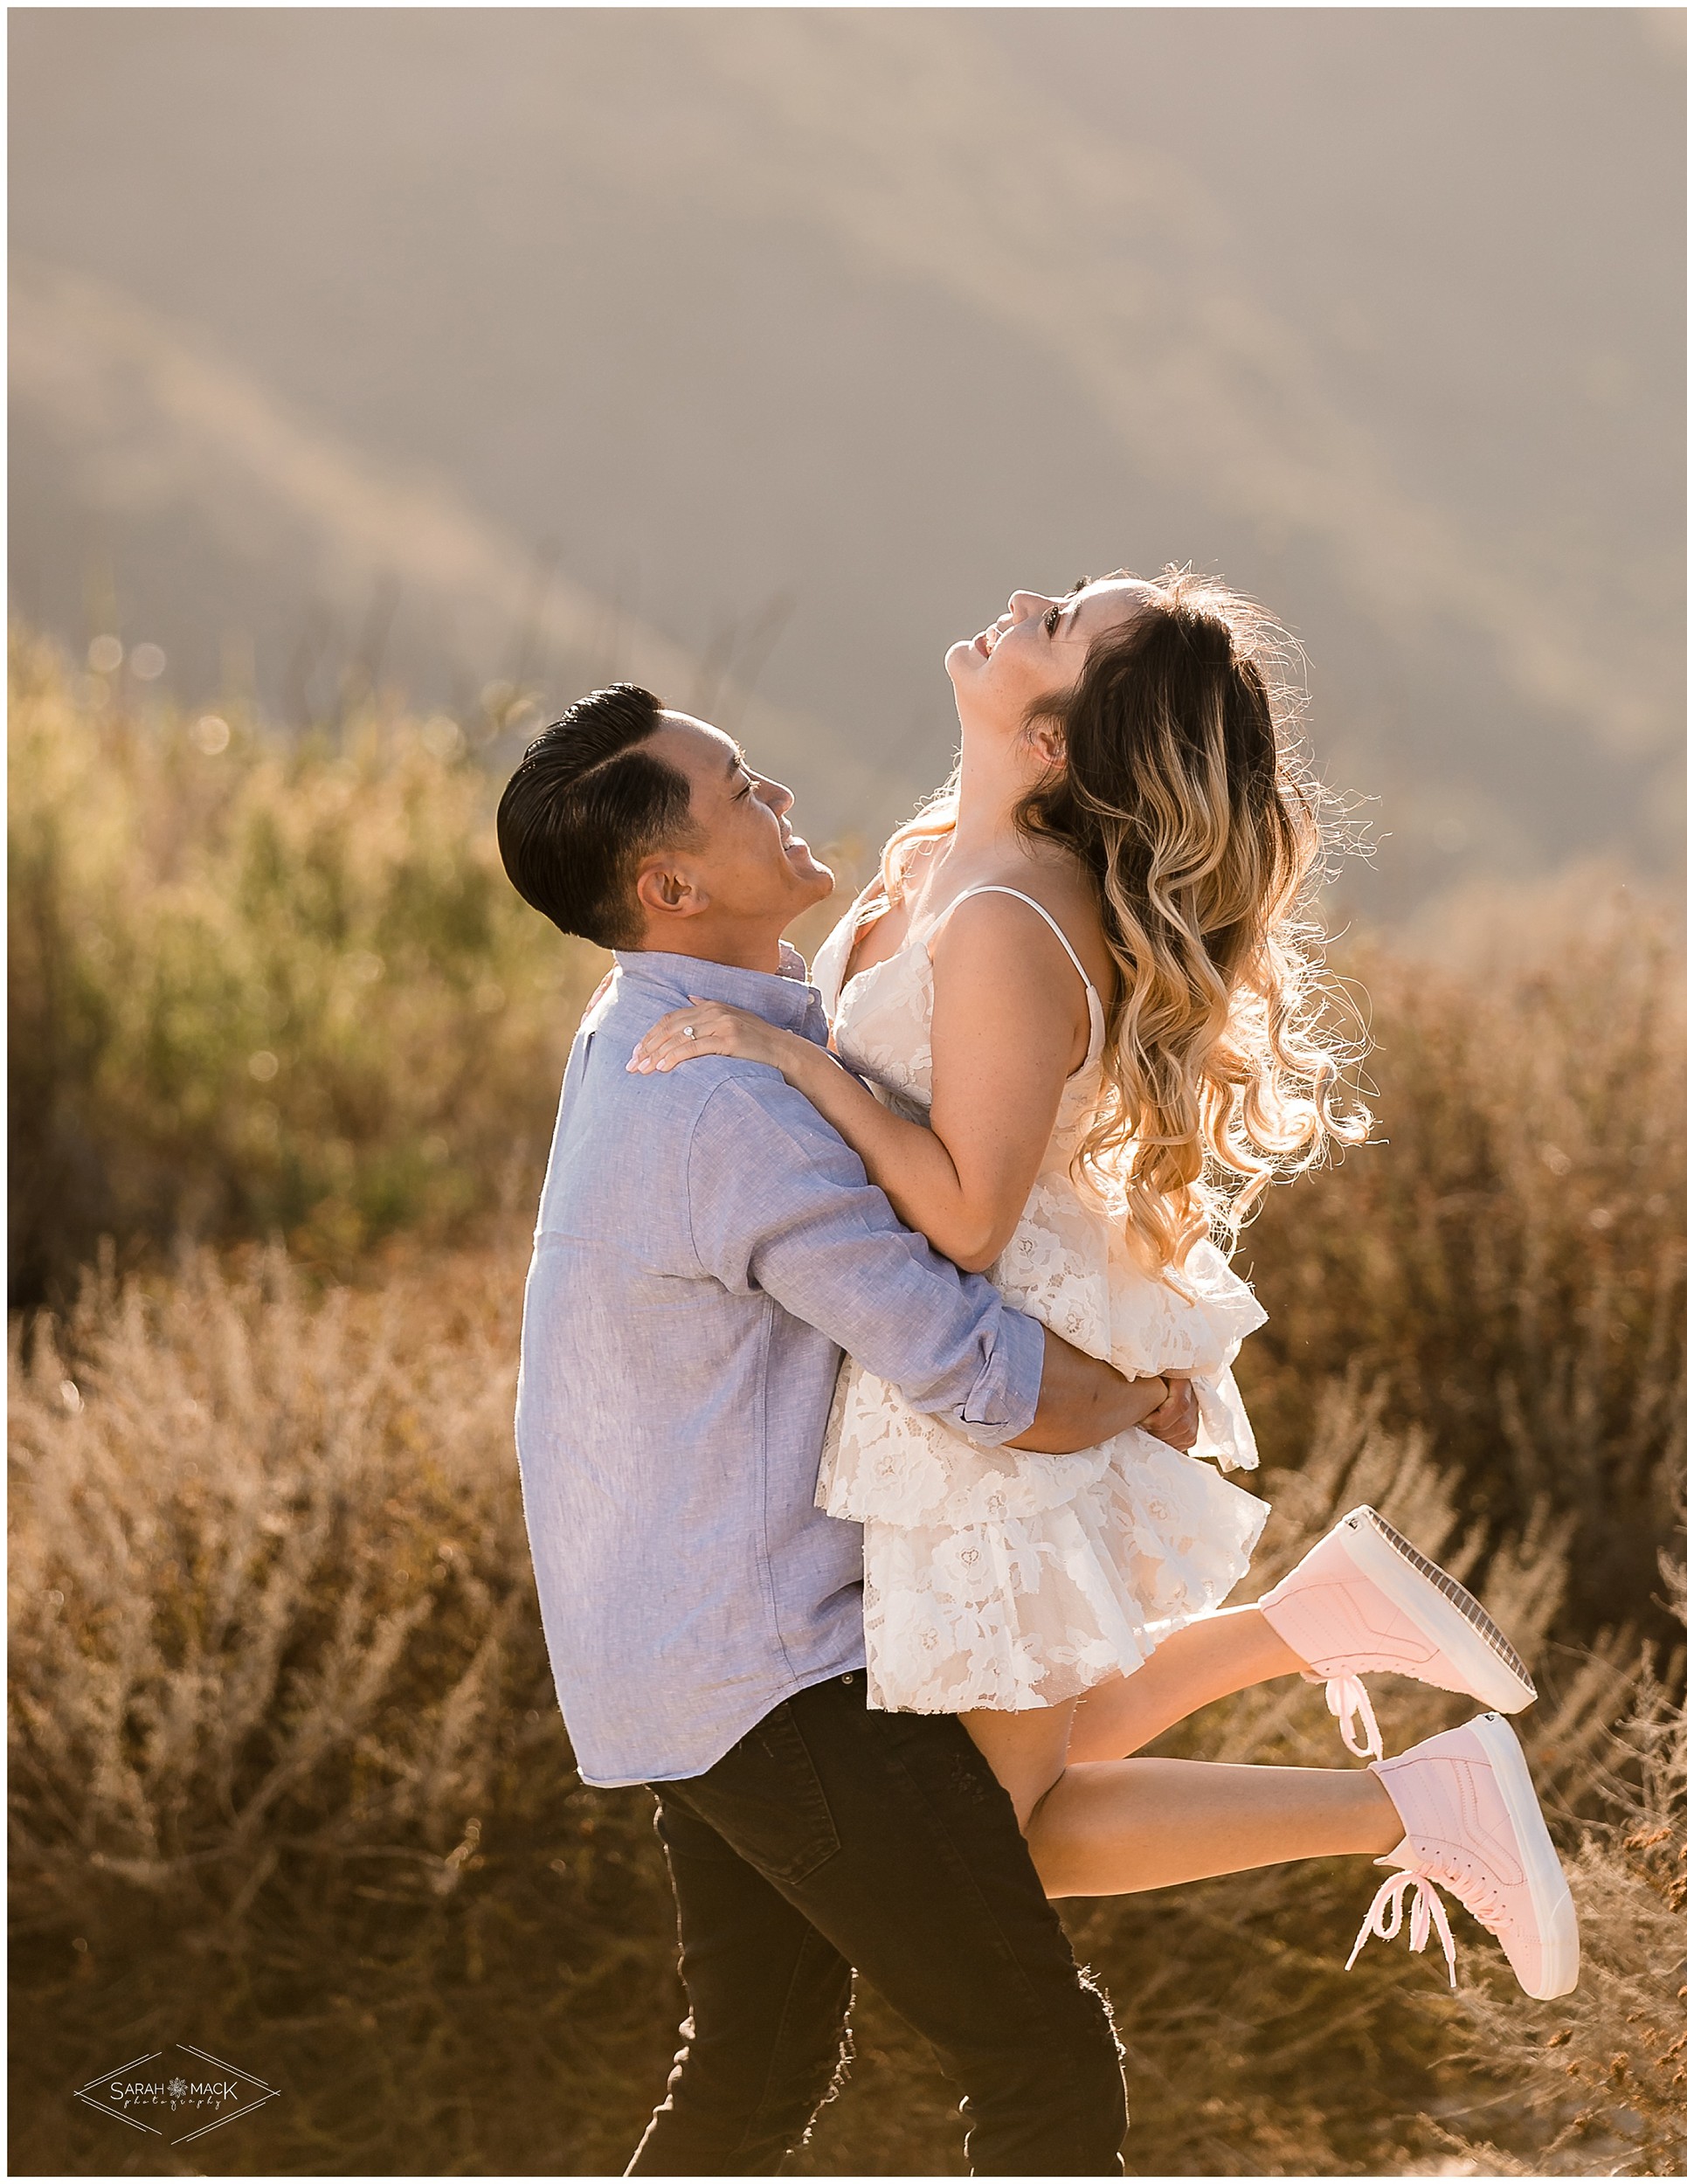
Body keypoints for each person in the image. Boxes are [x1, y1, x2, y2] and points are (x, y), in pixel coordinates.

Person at [627, 570, 1580, 2005]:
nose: (1021, 600)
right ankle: (1314, 1630)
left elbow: (961, 1214)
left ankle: (1410, 1802)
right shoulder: (935, 853)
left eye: (1060, 620)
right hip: (939, 1385)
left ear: (1058, 740)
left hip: (986, 1404)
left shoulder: (1009, 916)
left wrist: (794, 1065)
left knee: (977, 1850)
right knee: (989, 1820)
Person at [497, 681, 1206, 2177]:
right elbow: (958, 1363)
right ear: (669, 886)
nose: (781, 801)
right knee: (1039, 2060)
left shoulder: (654, 1031)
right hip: (765, 1676)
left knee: (748, 2072)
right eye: (742, 792)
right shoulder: (723, 1111)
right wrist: (1143, 1394)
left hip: (681, 1657)